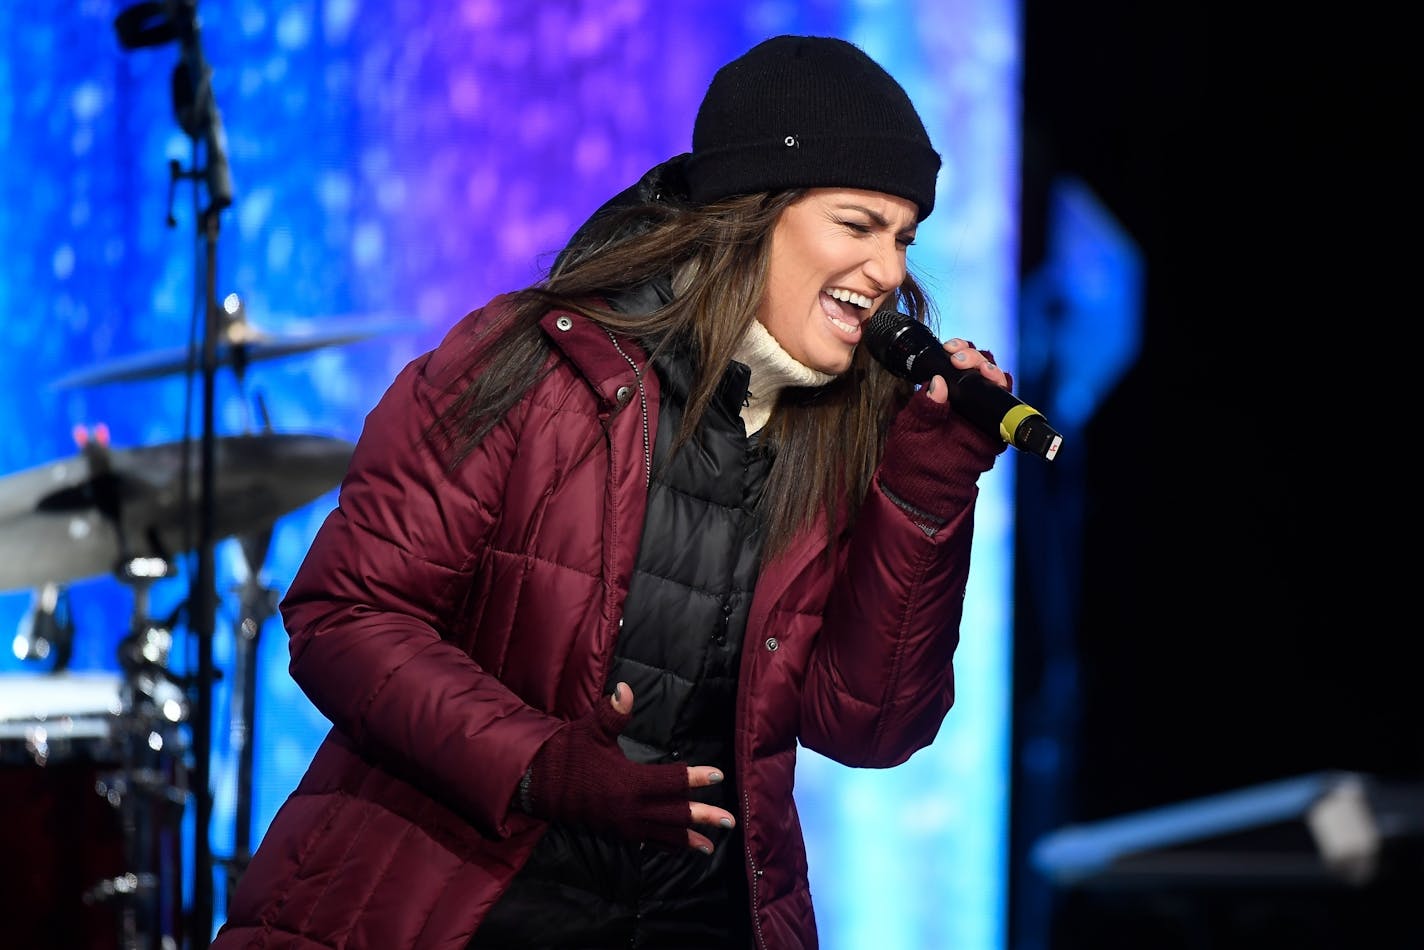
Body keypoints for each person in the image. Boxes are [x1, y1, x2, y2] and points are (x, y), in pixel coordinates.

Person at [212, 33, 1010, 950]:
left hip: (698, 913)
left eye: (905, 237)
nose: (891, 271)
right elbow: (346, 616)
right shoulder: (533, 365)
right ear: (753, 212)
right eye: (858, 226)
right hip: (466, 892)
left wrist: (926, 491)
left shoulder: (850, 429)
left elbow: (868, 726)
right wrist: (543, 768)